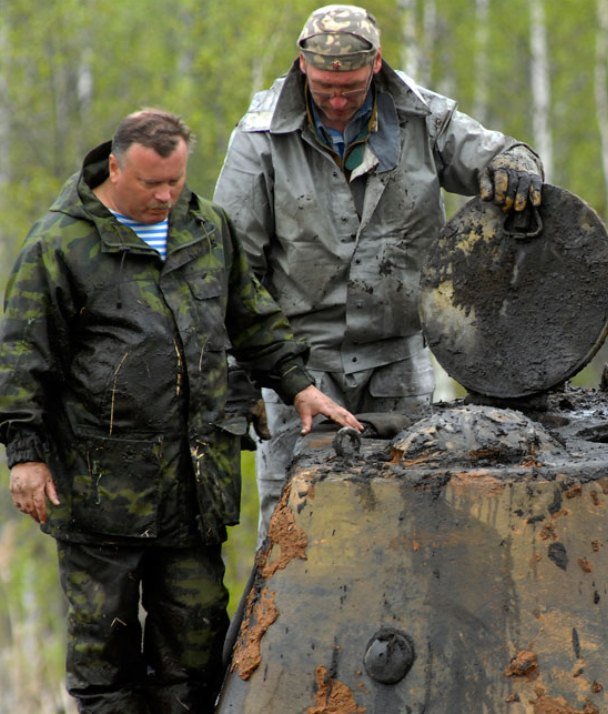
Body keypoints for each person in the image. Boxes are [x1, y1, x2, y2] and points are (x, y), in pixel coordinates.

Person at [0, 109, 362, 713]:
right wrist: (25, 456)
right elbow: (21, 358)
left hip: (195, 487)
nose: (165, 195)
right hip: (100, 495)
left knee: (195, 651)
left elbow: (252, 318)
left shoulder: (207, 228)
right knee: (105, 656)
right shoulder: (60, 244)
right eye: (150, 184)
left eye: (175, 181)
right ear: (114, 167)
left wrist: (298, 383)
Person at [213, 4, 544, 539]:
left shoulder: (422, 120)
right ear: (302, 67)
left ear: (377, 65)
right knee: (293, 524)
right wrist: (241, 375)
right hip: (299, 366)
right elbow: (231, 270)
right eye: (324, 89)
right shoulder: (260, 138)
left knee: (409, 514)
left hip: (399, 357)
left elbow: (499, 155)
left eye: (350, 87)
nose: (338, 100)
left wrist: (517, 163)